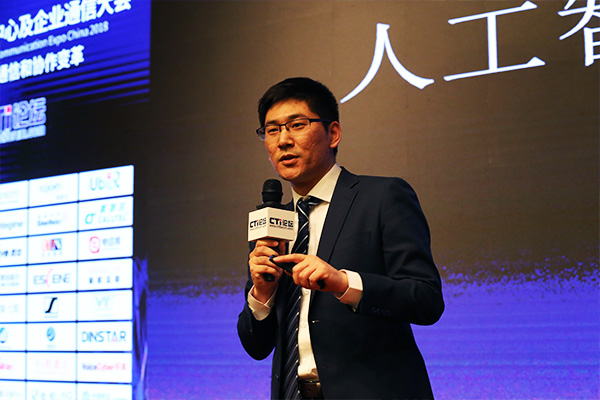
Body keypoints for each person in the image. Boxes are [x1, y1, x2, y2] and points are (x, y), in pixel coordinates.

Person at [237, 77, 444, 399]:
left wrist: (344, 283)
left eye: (297, 125)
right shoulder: (273, 224)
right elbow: (256, 346)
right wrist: (262, 294)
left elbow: (426, 300)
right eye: (272, 130)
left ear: (333, 133)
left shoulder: (382, 197)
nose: (283, 140)